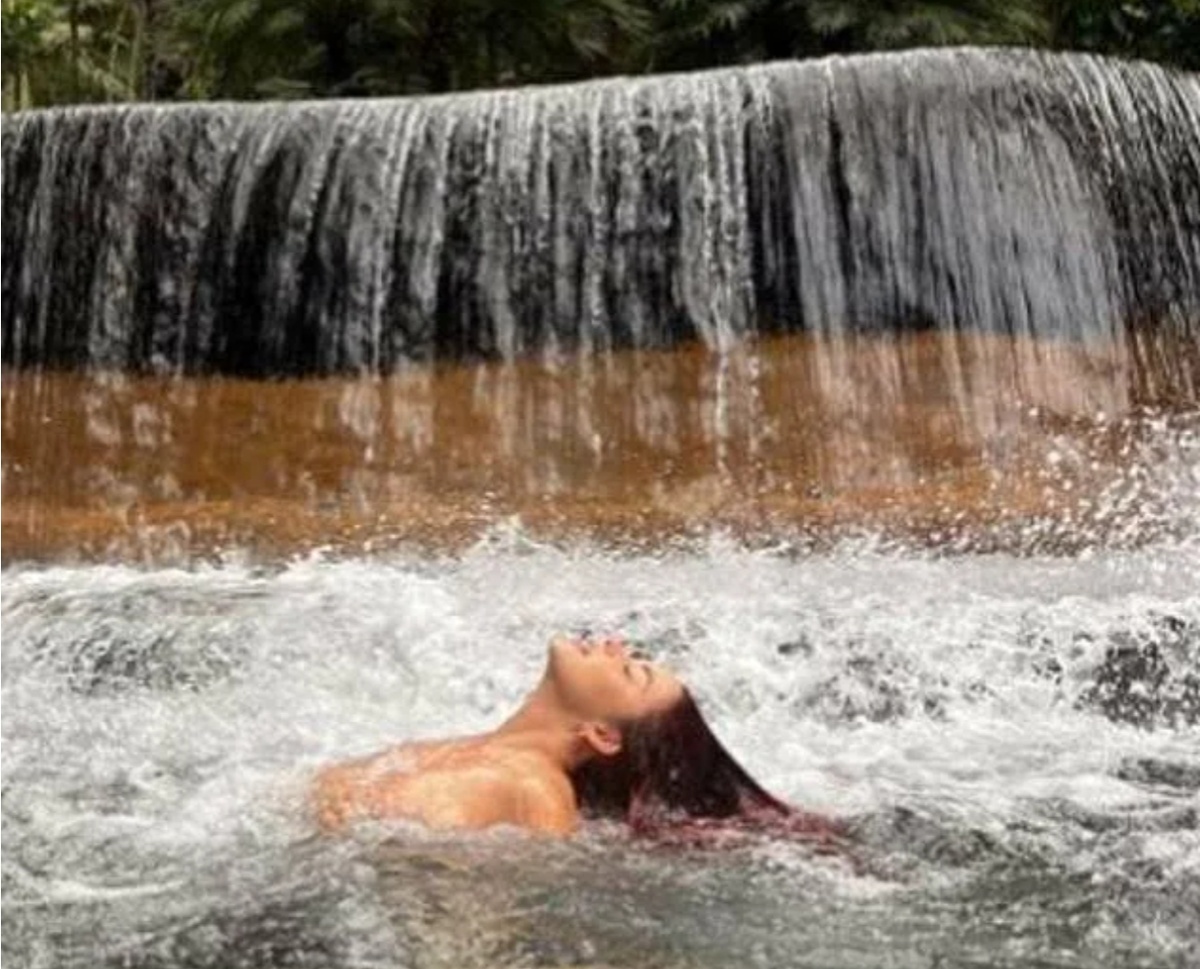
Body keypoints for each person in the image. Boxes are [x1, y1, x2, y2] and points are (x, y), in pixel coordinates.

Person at [313, 634, 845, 847]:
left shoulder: (537, 793)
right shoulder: (462, 747)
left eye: (631, 672)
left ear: (604, 734)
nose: (616, 645)